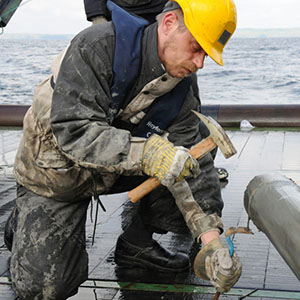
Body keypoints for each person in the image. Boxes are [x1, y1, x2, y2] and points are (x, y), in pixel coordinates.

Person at [4, 0, 241, 299]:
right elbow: (74, 131)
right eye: (196, 47)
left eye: (206, 54)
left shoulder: (182, 87)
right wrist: (150, 154)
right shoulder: (96, 46)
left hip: (114, 169)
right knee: (46, 288)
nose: (200, 62)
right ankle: (24, 217)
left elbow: (196, 165)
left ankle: (137, 243)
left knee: (193, 148)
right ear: (168, 23)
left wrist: (212, 243)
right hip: (57, 174)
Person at [83, 0, 230, 181]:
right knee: (117, 86)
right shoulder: (99, 44)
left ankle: (189, 166)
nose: (201, 63)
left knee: (184, 83)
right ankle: (112, 153)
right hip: (122, 13)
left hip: (165, 11)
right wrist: (97, 15)